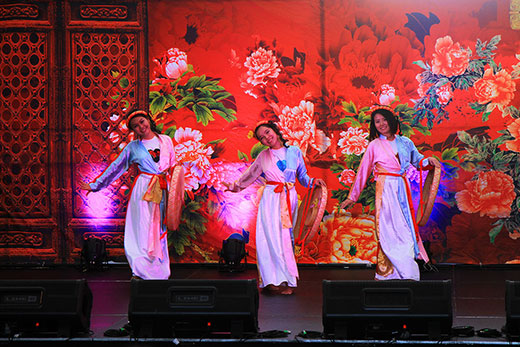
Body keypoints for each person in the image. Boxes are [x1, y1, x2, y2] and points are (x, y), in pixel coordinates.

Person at [339, 107, 441, 281]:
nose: (381, 124)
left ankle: (406, 273)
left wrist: (428, 160)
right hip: (385, 191)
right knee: (388, 232)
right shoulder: (374, 145)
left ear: (391, 120)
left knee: (406, 231)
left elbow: (418, 161)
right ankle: (392, 273)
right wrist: (352, 197)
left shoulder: (405, 142)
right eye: (377, 122)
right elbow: (363, 171)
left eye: (383, 120)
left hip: (402, 188)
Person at [224, 121, 325, 295]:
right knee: (269, 238)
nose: (266, 138)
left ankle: (287, 280)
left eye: (268, 132)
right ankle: (271, 279)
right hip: (270, 198)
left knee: (285, 237)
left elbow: (302, 177)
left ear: (276, 131)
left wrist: (312, 182)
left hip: (288, 196)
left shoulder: (294, 152)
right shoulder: (263, 156)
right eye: (262, 137)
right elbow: (250, 174)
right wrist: (235, 186)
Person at [79, 109, 181, 280]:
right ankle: (140, 271)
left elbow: (174, 167)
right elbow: (116, 167)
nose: (141, 127)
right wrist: (95, 185)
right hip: (143, 191)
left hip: (163, 189)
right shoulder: (132, 148)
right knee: (142, 229)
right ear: (133, 130)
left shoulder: (166, 141)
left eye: (142, 121)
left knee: (158, 229)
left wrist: (176, 193)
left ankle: (159, 271)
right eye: (136, 126)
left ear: (148, 119)